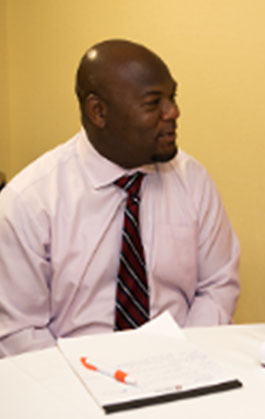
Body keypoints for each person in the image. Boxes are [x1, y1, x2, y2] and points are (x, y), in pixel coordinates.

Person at [0, 40, 240, 357]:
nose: (173, 112)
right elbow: (20, 332)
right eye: (154, 103)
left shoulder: (192, 180)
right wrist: (85, 383)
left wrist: (183, 357)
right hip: (69, 381)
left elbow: (217, 285)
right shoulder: (29, 201)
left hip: (181, 366)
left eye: (173, 97)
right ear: (98, 112)